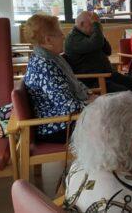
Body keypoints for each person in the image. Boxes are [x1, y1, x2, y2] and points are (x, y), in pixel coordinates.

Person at [24, 14, 97, 143]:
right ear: (48, 40)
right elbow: (68, 107)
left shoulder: (49, 57)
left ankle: (118, 161)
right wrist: (95, 103)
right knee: (113, 120)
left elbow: (71, 85)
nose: (63, 36)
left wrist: (89, 94)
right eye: (59, 34)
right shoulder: (45, 66)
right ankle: (116, 162)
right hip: (56, 127)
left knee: (114, 112)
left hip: (62, 119)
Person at [65, 11, 132, 94]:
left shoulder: (89, 35)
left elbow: (108, 51)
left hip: (106, 75)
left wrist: (98, 30)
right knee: (126, 92)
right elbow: (96, 43)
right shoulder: (73, 38)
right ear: (82, 24)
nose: (95, 27)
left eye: (96, 25)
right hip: (93, 80)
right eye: (92, 24)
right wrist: (96, 26)